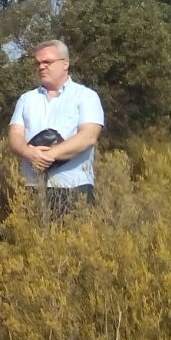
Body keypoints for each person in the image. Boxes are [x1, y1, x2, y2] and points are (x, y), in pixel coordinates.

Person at [8, 39, 104, 214]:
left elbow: (88, 136)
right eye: (38, 63)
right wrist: (29, 153)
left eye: (47, 62)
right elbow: (15, 135)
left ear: (65, 63)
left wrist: (47, 156)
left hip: (74, 186)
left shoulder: (86, 96)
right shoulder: (26, 99)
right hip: (32, 186)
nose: (41, 67)